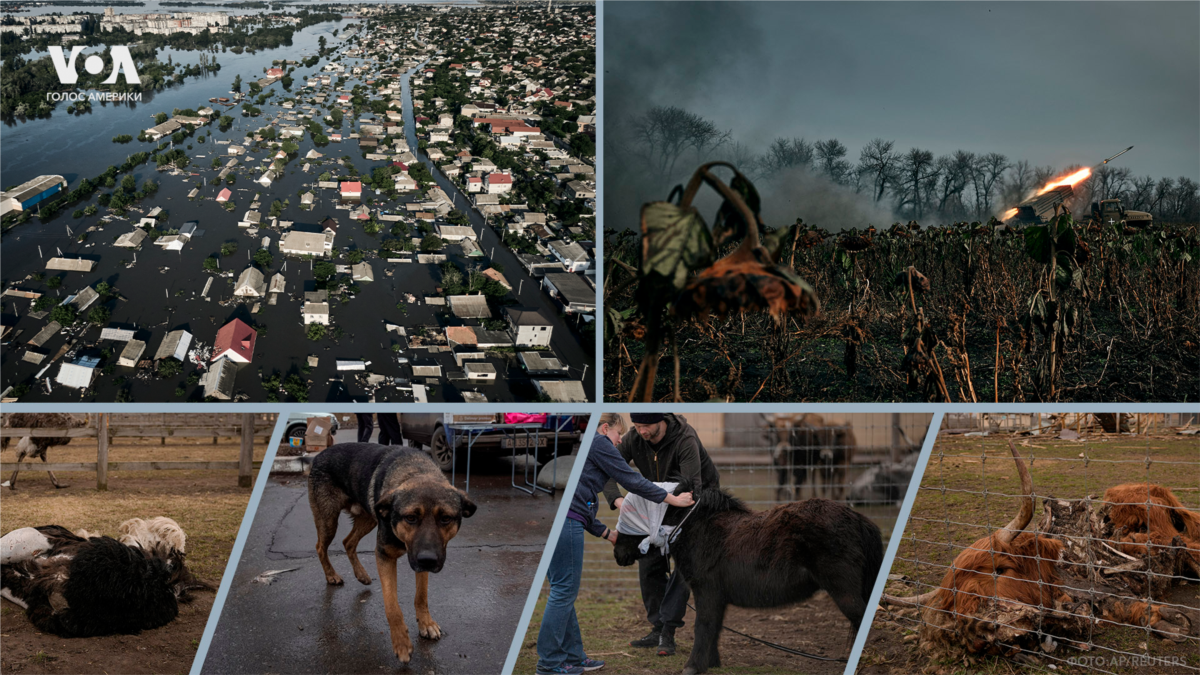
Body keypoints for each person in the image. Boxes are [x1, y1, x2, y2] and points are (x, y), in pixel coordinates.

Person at [536, 413, 694, 675]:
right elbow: (631, 479)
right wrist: (671, 499)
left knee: (562, 592)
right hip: (567, 524)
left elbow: (580, 500)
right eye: (618, 434)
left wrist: (607, 533)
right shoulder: (599, 443)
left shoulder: (591, 446)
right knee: (563, 592)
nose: (620, 440)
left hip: (567, 520)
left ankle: (573, 656)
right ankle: (550, 663)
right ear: (605, 428)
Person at [601, 413, 719, 657]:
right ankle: (657, 627)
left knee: (684, 566)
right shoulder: (634, 438)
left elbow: (690, 486)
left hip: (695, 502)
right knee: (649, 560)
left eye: (647, 426)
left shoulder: (685, 440)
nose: (642, 431)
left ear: (661, 420)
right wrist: (618, 500)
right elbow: (607, 469)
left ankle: (669, 630)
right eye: (637, 426)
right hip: (657, 503)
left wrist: (663, 515)